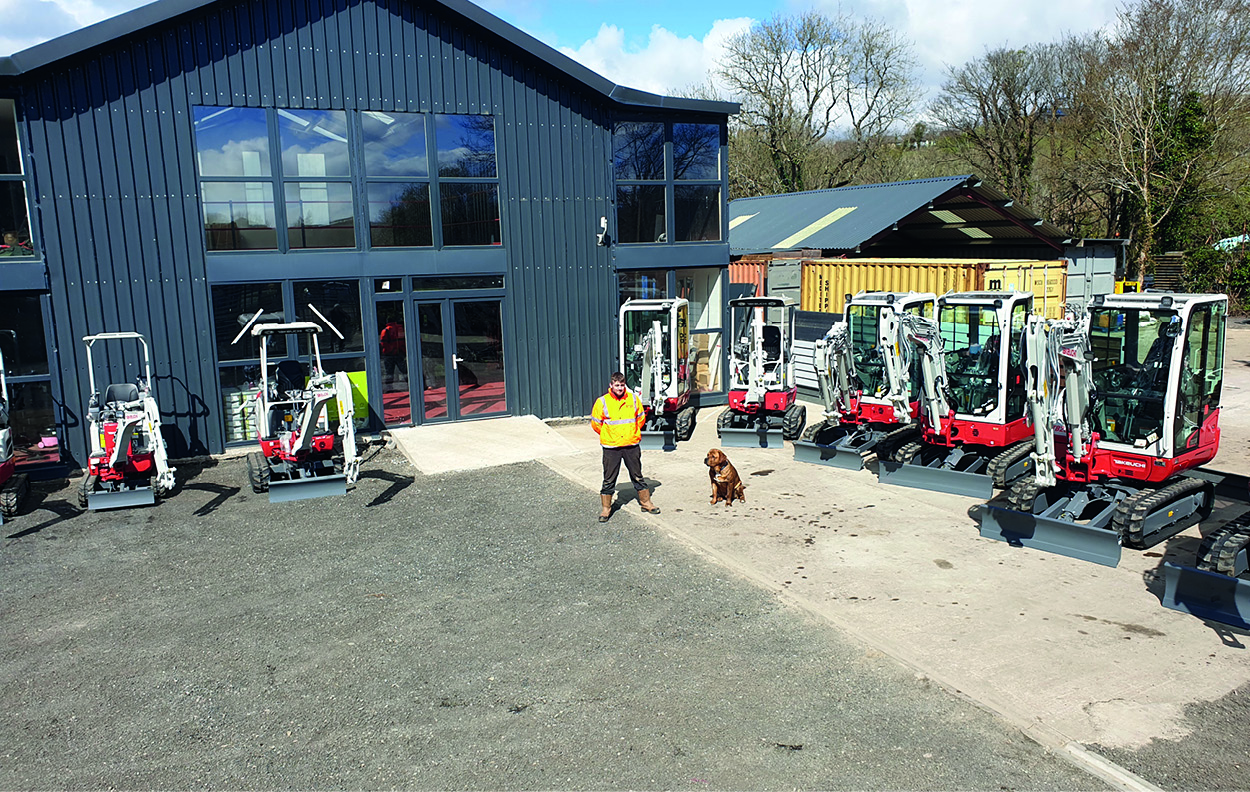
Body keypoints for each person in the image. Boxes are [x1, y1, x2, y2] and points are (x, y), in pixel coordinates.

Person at [591, 371, 660, 522]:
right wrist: (610, 434)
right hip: (611, 447)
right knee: (609, 479)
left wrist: (632, 432)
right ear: (611, 385)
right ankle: (606, 509)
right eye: (617, 385)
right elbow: (596, 424)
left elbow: (640, 418)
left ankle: (646, 503)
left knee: (637, 475)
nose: (620, 388)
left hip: (631, 445)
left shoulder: (634, 399)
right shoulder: (602, 401)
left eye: (622, 385)